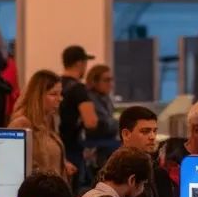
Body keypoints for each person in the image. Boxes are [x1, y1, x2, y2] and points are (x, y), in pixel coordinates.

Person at [10, 69, 71, 180]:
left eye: (60, 94)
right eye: (53, 94)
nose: (59, 99)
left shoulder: (50, 120)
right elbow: (16, 168)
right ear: (37, 95)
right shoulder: (21, 124)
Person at [58, 45, 100, 188]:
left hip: (56, 147)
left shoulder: (56, 85)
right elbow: (91, 121)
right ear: (79, 63)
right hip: (72, 149)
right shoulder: (78, 89)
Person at [84, 63, 119, 161]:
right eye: (107, 80)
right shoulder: (88, 99)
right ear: (94, 81)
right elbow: (104, 124)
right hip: (94, 144)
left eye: (112, 80)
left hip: (106, 141)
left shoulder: (106, 98)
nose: (111, 84)